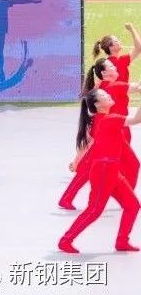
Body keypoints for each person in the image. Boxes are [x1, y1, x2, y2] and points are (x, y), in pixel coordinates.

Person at [59, 89, 141, 253]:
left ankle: (122, 241)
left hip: (111, 170)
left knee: (132, 205)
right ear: (97, 105)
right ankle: (65, 240)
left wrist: (76, 161)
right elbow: (137, 119)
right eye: (104, 96)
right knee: (94, 210)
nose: (108, 95)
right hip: (104, 170)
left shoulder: (98, 120)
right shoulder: (110, 119)